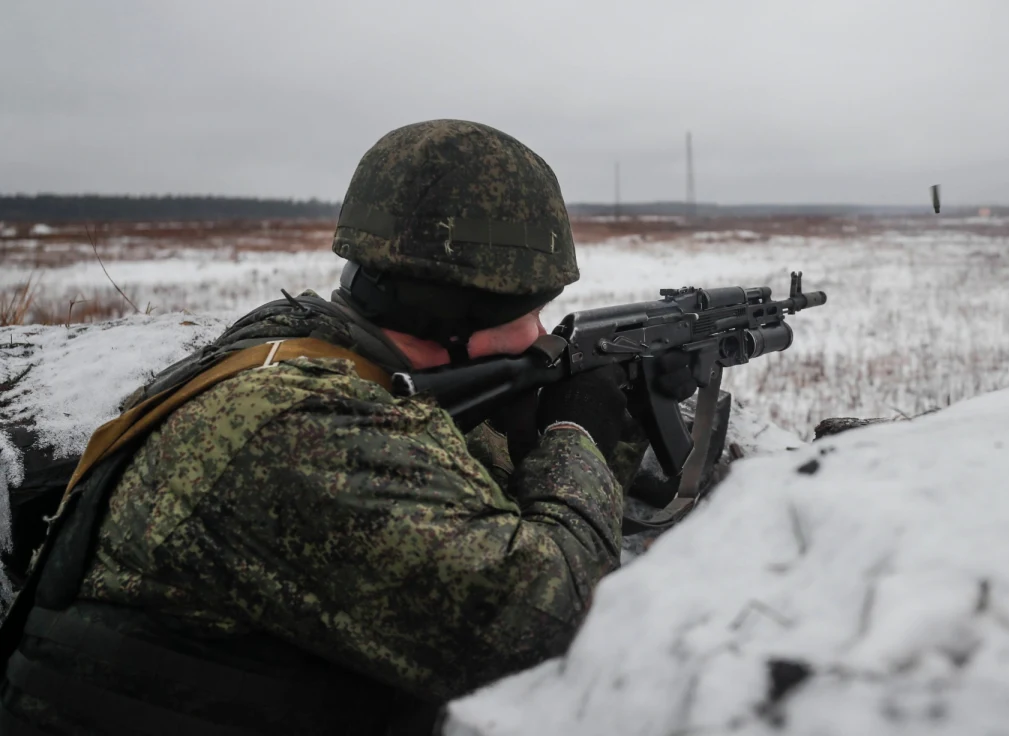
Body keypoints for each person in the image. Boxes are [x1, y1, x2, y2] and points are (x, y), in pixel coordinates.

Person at [0, 120, 695, 735]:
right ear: (457, 312)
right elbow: (541, 629)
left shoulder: (308, 362)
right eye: (531, 310)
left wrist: (628, 403)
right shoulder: (297, 430)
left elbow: (454, 499)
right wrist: (580, 434)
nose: (541, 333)